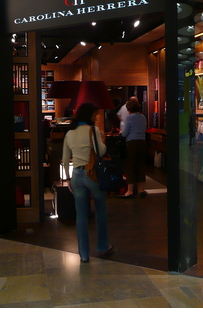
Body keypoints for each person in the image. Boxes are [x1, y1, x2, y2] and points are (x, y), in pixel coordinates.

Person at [62, 102, 113, 263]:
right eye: (95, 114)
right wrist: (103, 139)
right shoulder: (94, 131)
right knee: (100, 210)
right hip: (93, 175)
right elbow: (101, 151)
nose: (97, 117)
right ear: (89, 116)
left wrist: (68, 179)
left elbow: (64, 159)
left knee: (81, 216)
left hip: (76, 175)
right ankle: (103, 245)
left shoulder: (70, 133)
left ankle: (84, 254)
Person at [119, 98, 147, 198]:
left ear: (128, 109)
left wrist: (121, 133)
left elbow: (125, 132)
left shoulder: (129, 118)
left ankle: (130, 191)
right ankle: (141, 189)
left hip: (132, 143)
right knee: (141, 166)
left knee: (130, 166)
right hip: (142, 142)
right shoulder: (143, 117)